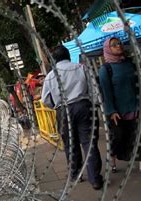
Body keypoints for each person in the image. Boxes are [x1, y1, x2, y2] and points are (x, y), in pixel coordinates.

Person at [41, 45, 103, 190]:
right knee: (89, 143)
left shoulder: (50, 76)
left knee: (70, 144)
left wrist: (56, 106)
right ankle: (95, 179)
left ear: (54, 59)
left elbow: (45, 99)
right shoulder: (81, 68)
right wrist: (95, 104)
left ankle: (76, 174)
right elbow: (93, 89)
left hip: (63, 110)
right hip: (83, 106)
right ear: (68, 55)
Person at [98, 37, 141, 172]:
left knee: (139, 133)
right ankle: (112, 156)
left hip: (134, 106)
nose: (118, 46)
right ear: (108, 49)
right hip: (117, 111)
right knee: (118, 137)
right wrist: (111, 111)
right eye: (114, 45)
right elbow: (106, 92)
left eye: (119, 43)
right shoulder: (105, 69)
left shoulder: (129, 63)